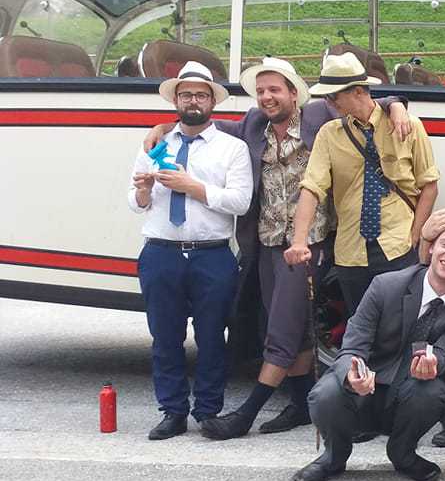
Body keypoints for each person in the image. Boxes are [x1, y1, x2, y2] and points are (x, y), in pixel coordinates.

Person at [139, 57, 413, 439]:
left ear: (293, 93)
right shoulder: (252, 125)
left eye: (275, 90)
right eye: (261, 91)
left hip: (308, 243)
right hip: (267, 244)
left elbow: (364, 100)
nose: (267, 97)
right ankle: (301, 404)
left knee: (281, 329)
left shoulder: (318, 115)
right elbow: (204, 123)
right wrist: (164, 126)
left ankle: (245, 415)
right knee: (287, 325)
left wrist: (397, 102)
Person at [290, 217, 445, 481]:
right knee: (326, 393)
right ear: (431, 248)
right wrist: (353, 374)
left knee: (433, 392)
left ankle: (403, 453)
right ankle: (333, 457)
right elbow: (352, 345)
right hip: (368, 383)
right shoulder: (386, 285)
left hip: (412, 386)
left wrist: (434, 362)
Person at [126, 61, 253, 440]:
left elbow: (241, 201)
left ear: (212, 101)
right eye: (185, 95)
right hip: (161, 251)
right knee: (165, 337)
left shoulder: (232, 148)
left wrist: (192, 186)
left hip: (211, 254)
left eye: (200, 95)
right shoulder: (155, 144)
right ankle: (172, 411)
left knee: (212, 336)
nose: (193, 101)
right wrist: (145, 190)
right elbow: (134, 203)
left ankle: (209, 411)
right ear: (176, 101)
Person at [285, 50, 439, 315]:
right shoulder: (329, 134)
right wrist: (299, 241)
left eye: (334, 96)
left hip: (398, 245)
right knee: (359, 327)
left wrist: (416, 233)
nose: (330, 103)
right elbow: (311, 188)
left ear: (358, 91)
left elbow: (429, 184)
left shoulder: (408, 125)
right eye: (326, 97)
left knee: (399, 327)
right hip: (351, 250)